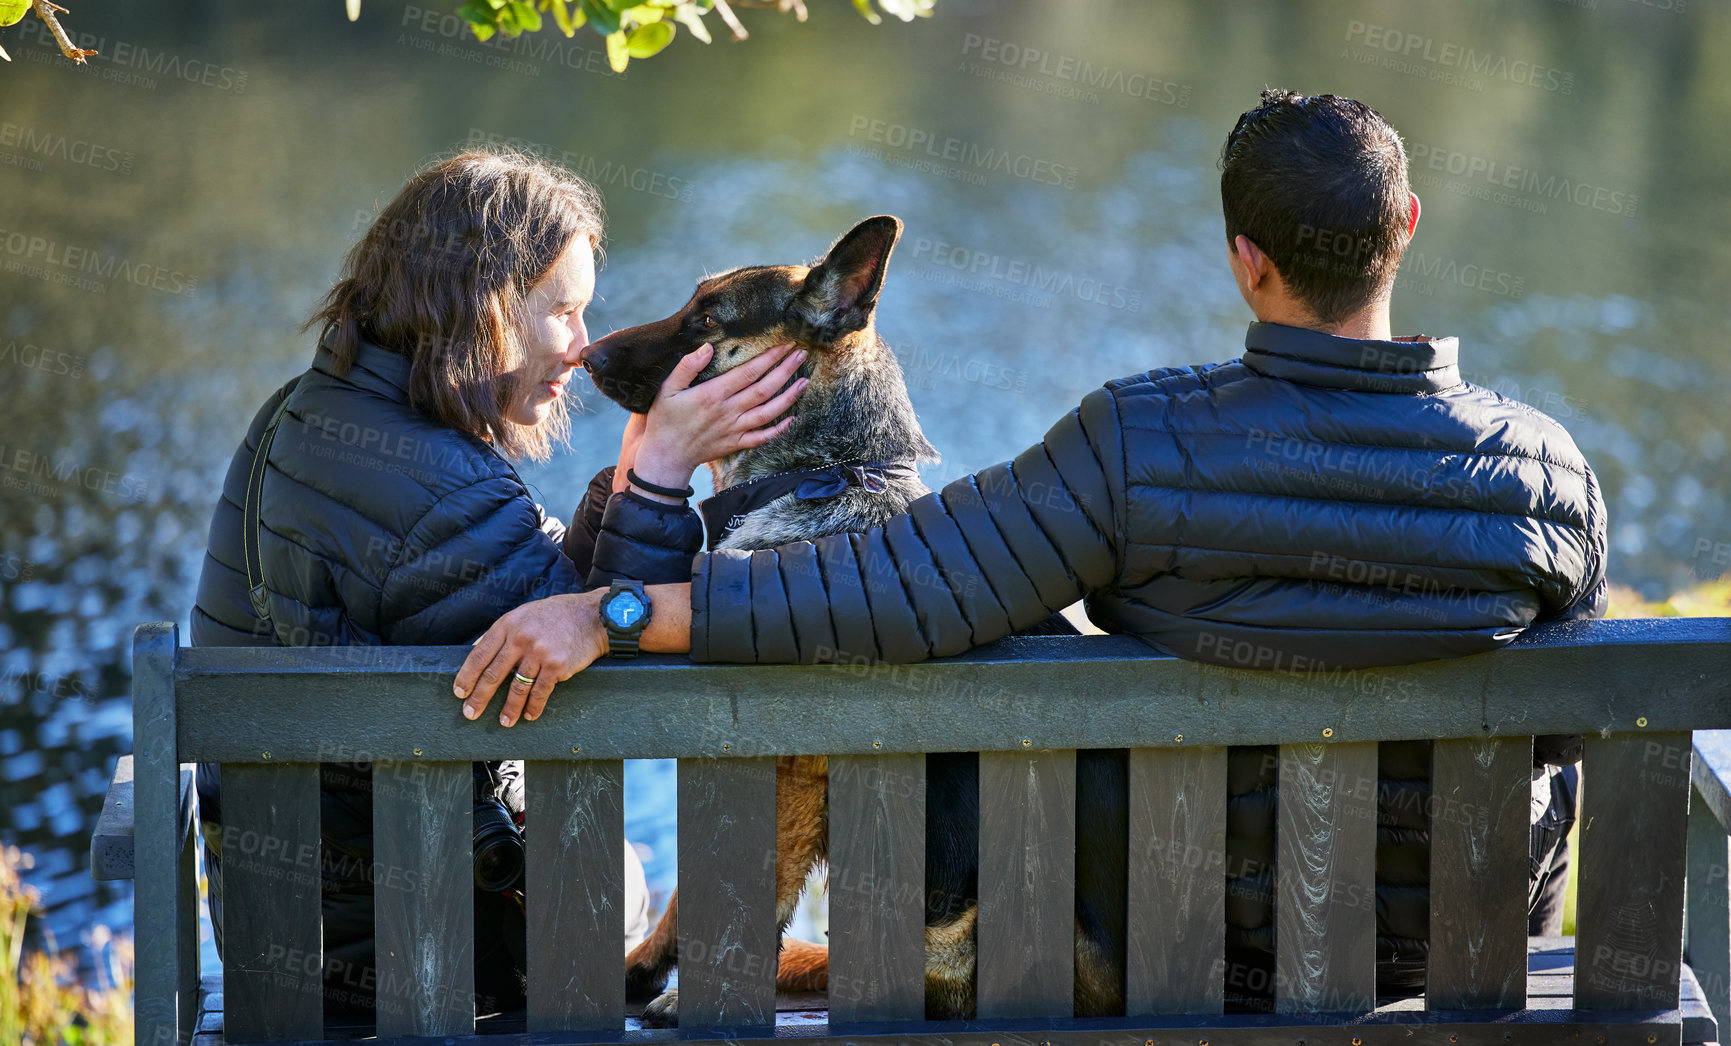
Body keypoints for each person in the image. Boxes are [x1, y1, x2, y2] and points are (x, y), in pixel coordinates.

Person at [455, 91, 1608, 1006]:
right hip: (1460, 956)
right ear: (1405, 228)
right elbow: (1573, 726)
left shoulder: (1142, 445)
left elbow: (892, 592)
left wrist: (617, 611)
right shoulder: (1549, 474)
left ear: (1243, 258)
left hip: (1197, 953)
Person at [188, 148, 800, 1018]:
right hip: (429, 954)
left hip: (290, 933)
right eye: (563, 312)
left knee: (623, 870)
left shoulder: (312, 411)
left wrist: (628, 478)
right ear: (484, 304)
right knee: (622, 874)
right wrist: (663, 476)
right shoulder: (440, 488)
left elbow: (546, 595)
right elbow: (620, 685)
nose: (584, 348)